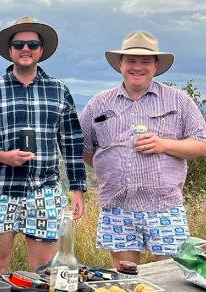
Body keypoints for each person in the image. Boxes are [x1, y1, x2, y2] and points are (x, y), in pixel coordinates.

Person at [0, 17, 86, 278]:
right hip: (0, 190)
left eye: (32, 44)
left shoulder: (58, 90)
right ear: (10, 50)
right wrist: (1, 156)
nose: (25, 48)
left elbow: (71, 141)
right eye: (19, 44)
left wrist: (77, 189)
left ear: (41, 51)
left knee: (44, 269)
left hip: (43, 190)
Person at [79, 31, 206, 268]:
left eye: (145, 61)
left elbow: (202, 145)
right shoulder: (99, 103)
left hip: (165, 206)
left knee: (173, 275)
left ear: (156, 65)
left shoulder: (179, 100)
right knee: (125, 279)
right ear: (120, 64)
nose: (138, 67)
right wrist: (110, 167)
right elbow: (84, 149)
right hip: (117, 207)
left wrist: (164, 144)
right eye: (131, 60)